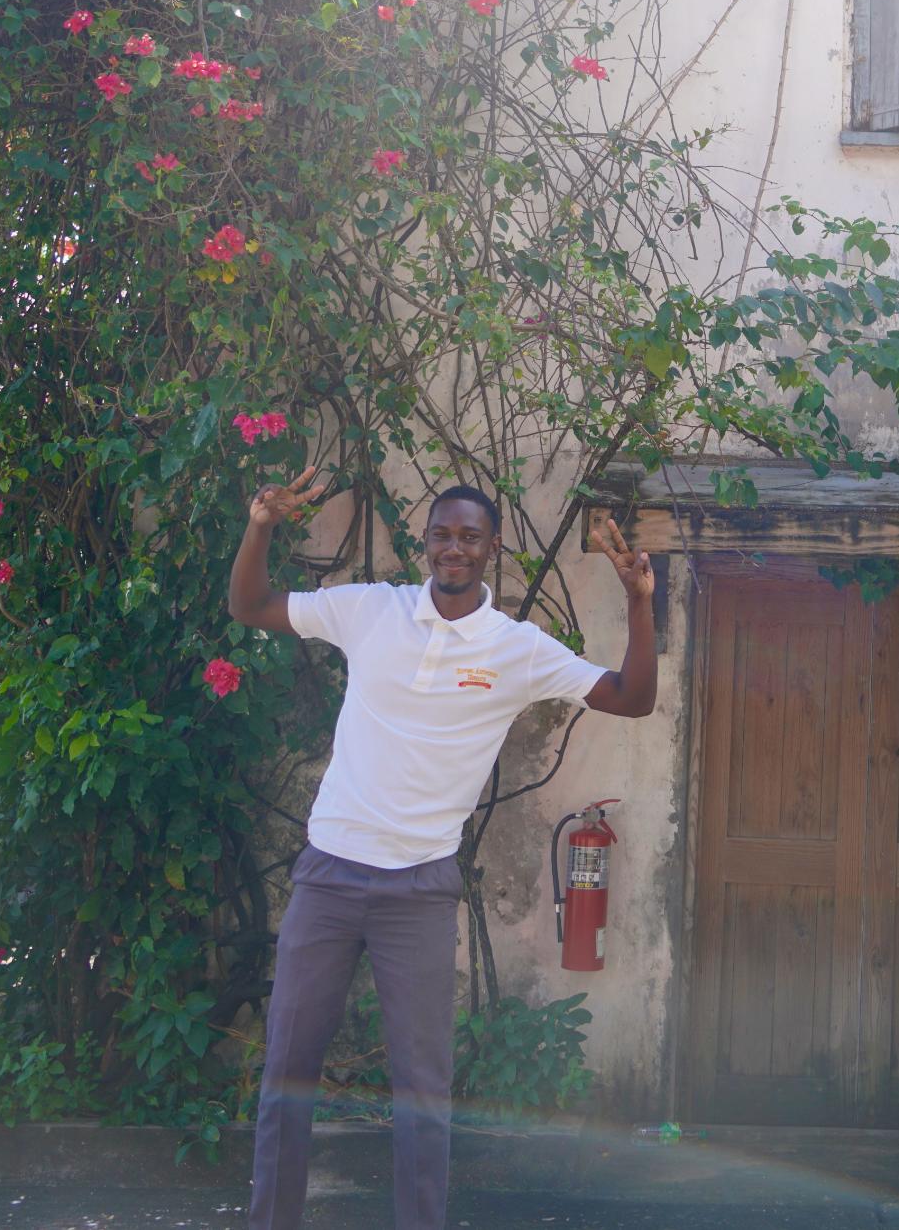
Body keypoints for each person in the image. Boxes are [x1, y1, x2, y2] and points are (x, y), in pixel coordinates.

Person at [228, 469, 656, 1230]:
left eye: (470, 536)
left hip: (418, 890)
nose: (454, 547)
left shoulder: (517, 648)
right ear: (425, 541)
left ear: (492, 548)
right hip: (328, 877)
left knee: (423, 1089)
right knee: (287, 1069)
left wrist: (639, 601)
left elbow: (632, 697)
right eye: (442, 534)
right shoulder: (370, 609)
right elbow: (251, 606)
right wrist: (260, 525)